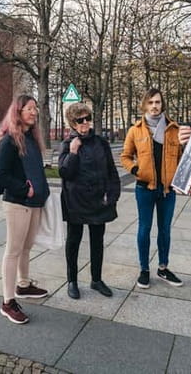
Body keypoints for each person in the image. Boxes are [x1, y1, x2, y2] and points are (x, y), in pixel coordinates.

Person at [121, 88, 191, 289]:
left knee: (165, 230)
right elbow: (125, 156)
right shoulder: (136, 130)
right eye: (150, 102)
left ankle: (163, 268)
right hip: (144, 188)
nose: (154, 106)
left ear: (162, 105)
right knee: (144, 228)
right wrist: (136, 170)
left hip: (167, 190)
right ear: (145, 105)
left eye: (158, 102)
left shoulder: (173, 129)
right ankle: (144, 269)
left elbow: (182, 158)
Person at [0, 94, 50, 324]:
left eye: (35, 109)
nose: (34, 112)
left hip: (34, 203)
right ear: (18, 111)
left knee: (27, 247)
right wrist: (24, 189)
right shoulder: (9, 141)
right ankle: (7, 302)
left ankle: (23, 285)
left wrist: (41, 192)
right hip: (18, 203)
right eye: (29, 108)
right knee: (13, 250)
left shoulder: (31, 139)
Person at [58, 102, 120, 299]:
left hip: (97, 201)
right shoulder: (67, 144)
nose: (85, 123)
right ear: (73, 123)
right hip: (75, 201)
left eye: (87, 118)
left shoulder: (101, 143)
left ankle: (96, 279)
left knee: (97, 241)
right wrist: (74, 152)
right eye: (80, 120)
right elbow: (64, 172)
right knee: (74, 241)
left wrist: (112, 195)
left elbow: (111, 171)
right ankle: (72, 281)